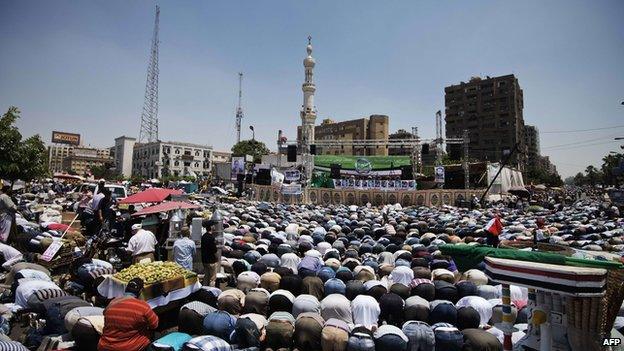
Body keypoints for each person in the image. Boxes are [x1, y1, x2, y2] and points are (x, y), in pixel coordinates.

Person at [98, 278, 158, 351]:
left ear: (125, 289)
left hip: (105, 346)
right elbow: (154, 325)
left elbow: (105, 314)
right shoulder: (143, 306)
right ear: (140, 292)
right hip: (128, 347)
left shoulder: (112, 302)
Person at [201, 219, 219, 286]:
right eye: (213, 225)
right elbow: (214, 250)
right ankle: (212, 291)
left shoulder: (204, 236)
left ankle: (204, 289)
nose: (214, 226)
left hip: (204, 260)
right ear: (211, 227)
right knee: (212, 278)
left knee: (206, 276)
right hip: (211, 261)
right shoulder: (211, 237)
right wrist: (217, 258)